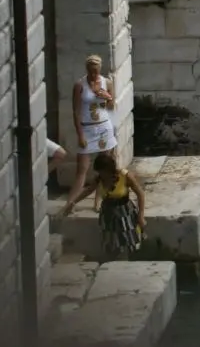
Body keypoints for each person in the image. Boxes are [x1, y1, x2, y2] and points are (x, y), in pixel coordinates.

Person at [61, 152, 146, 261]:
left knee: (128, 241)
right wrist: (73, 202)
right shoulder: (99, 179)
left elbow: (140, 194)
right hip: (108, 214)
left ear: (109, 169)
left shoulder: (125, 176)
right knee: (111, 242)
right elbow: (88, 191)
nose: (101, 174)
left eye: (103, 172)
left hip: (124, 213)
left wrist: (141, 215)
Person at [63, 55, 117, 216]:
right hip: (87, 128)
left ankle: (98, 200)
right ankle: (70, 202)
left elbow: (111, 106)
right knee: (82, 168)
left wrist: (107, 97)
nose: (94, 74)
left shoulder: (106, 82)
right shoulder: (80, 85)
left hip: (103, 127)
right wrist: (80, 135)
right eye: (91, 71)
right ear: (87, 70)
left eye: (96, 71)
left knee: (104, 166)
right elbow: (76, 111)